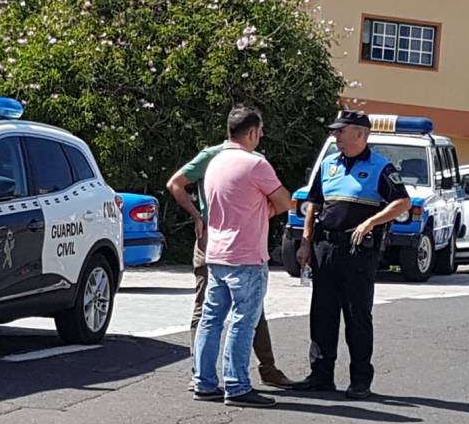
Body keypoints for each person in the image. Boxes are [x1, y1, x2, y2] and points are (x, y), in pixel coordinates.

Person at [296, 110, 411, 399]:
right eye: (335, 131)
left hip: (357, 251)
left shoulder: (380, 167)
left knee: (357, 315)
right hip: (325, 247)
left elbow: (402, 202)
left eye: (341, 131)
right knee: (322, 313)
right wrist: (306, 242)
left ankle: (360, 380)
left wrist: (371, 222)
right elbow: (314, 204)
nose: (336, 136)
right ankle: (320, 375)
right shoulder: (329, 164)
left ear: (360, 133)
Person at [166, 141, 296, 391]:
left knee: (237, 311)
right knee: (218, 311)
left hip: (223, 245)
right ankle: (215, 377)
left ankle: (250, 370)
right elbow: (175, 183)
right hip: (222, 243)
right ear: (252, 132)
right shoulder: (221, 157)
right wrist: (197, 217)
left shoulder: (236, 159)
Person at [190, 106, 292, 407]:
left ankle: (204, 381)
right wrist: (266, 209)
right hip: (246, 254)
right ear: (252, 133)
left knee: (211, 319)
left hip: (216, 251)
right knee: (243, 320)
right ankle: (236, 385)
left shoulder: (215, 162)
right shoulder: (256, 164)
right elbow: (284, 201)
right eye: (260, 131)